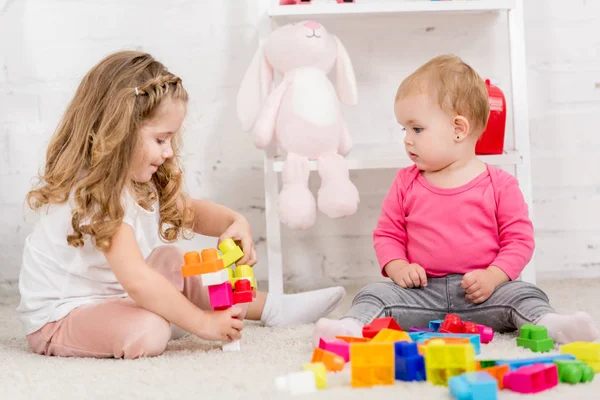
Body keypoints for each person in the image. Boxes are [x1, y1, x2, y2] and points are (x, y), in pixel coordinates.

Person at [17, 50, 345, 359]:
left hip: (118, 297)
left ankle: (273, 308)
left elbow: (193, 212)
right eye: (161, 139)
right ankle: (179, 314)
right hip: (63, 315)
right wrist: (201, 324)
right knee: (150, 331)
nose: (169, 151)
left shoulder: (136, 179)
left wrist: (236, 223)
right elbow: (138, 281)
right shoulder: (93, 197)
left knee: (174, 262)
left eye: (171, 139)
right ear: (118, 134)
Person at [313, 54, 598, 346]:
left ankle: (551, 325)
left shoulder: (500, 185)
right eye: (405, 129)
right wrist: (398, 267)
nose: (407, 139)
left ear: (458, 129)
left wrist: (494, 277)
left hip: (485, 295)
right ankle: (350, 327)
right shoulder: (405, 182)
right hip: (421, 294)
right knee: (373, 293)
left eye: (417, 129)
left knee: (525, 294)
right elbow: (388, 234)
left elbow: (519, 241)